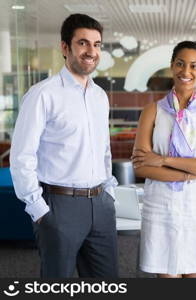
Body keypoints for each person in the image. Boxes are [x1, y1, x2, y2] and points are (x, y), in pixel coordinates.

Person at [10, 14, 118, 278]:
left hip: (100, 205)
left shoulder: (99, 96)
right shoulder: (42, 94)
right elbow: (22, 156)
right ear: (65, 47)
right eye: (83, 43)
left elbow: (103, 150)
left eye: (97, 44)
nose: (91, 51)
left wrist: (109, 191)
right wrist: (38, 209)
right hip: (59, 206)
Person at [131, 41, 196, 278]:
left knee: (194, 277)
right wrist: (194, 171)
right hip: (161, 205)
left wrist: (163, 159)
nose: (186, 72)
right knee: (166, 277)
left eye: (194, 66)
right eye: (180, 64)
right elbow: (142, 165)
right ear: (172, 66)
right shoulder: (152, 111)